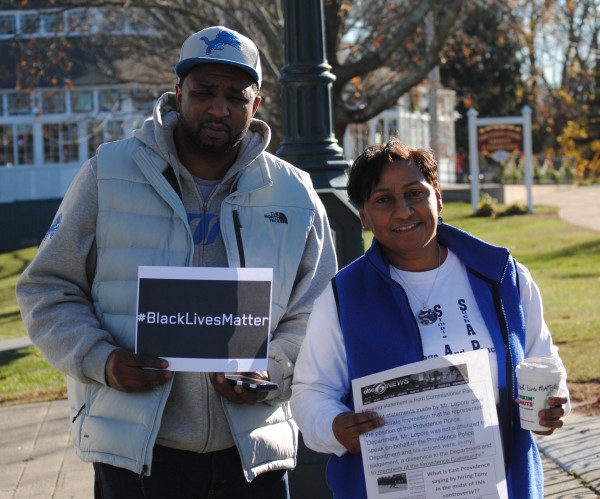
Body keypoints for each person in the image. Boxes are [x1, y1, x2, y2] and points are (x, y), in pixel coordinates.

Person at [16, 25, 337, 499]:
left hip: (252, 452)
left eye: (235, 95)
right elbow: (47, 289)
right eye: (204, 92)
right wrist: (101, 361)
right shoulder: (110, 171)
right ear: (177, 93)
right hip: (137, 452)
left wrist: (272, 369)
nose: (218, 108)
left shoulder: (294, 192)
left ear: (257, 105)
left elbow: (318, 308)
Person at [290, 138, 569, 498]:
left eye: (414, 193)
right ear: (363, 215)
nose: (404, 211)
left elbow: (542, 358)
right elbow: (312, 391)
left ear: (437, 197)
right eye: (383, 200)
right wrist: (333, 426)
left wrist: (553, 401)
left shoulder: (503, 277)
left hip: (500, 485)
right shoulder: (344, 295)